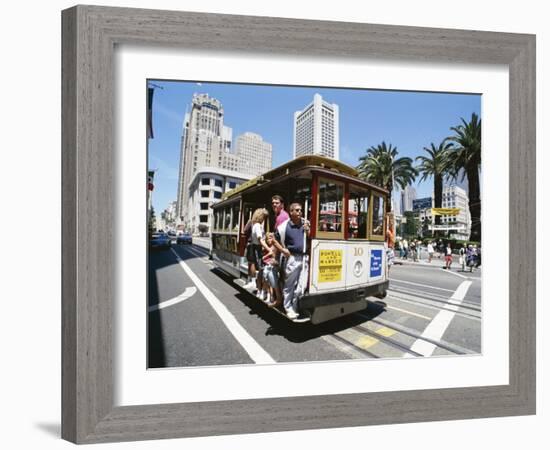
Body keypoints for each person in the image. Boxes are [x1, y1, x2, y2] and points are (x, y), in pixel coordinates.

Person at [273, 202, 310, 320]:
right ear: (291, 212)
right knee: (289, 285)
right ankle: (288, 307)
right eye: (297, 210)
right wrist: (283, 250)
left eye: (300, 210)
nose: (300, 212)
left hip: (304, 258)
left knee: (301, 286)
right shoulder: (284, 227)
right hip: (292, 258)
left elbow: (311, 237)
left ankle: (295, 306)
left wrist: (308, 231)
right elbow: (273, 240)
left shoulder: (305, 223)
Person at [243, 208, 269, 292]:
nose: (264, 219)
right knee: (258, 265)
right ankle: (255, 283)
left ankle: (252, 281)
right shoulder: (257, 226)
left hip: (253, 246)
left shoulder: (254, 224)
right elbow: (260, 239)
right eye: (264, 217)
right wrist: (268, 249)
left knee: (252, 263)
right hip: (257, 247)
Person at [260, 232, 282, 307]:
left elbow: (275, 257)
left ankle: (274, 297)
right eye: (268, 238)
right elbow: (261, 240)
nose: (269, 240)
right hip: (270, 266)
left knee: (273, 281)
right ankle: (269, 295)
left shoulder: (276, 246)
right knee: (267, 278)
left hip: (275, 266)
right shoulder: (270, 247)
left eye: (271, 238)